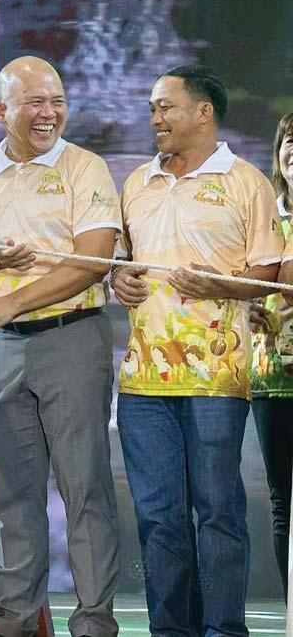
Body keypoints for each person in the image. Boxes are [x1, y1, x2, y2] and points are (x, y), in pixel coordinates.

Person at [0, 56, 121, 637]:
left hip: (72, 338)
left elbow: (94, 261)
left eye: (57, 101)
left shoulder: (84, 167)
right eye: (35, 103)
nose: (49, 114)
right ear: (1, 111)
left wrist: (8, 302)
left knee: (84, 485)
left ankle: (94, 621)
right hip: (3, 352)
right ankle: (13, 620)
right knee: (13, 491)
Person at [112, 65, 283, 637]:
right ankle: (171, 631)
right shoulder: (136, 182)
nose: (155, 117)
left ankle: (225, 630)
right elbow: (122, 262)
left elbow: (268, 277)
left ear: (203, 112)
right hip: (142, 381)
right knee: (158, 517)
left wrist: (220, 286)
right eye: (153, 107)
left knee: (217, 511)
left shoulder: (246, 182)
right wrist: (120, 282)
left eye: (166, 106)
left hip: (216, 375)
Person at [251, 111, 293, 596]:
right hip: (271, 375)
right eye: (288, 139)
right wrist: (245, 307)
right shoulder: (262, 213)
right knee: (283, 499)